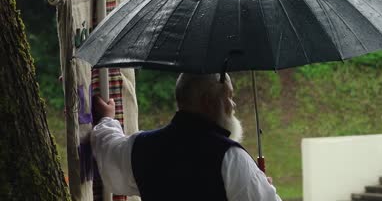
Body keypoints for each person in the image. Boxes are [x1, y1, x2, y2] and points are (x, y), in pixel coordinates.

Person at [91, 73, 282, 201]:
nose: (233, 105)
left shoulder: (143, 147)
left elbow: (107, 150)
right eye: (228, 97)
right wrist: (259, 184)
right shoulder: (230, 157)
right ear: (209, 102)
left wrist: (107, 119)